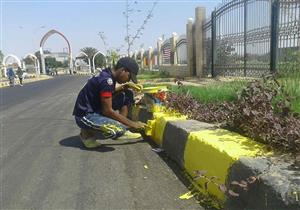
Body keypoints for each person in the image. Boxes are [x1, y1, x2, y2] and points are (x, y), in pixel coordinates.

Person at [73, 57, 146, 148]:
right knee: (117, 130)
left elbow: (105, 94)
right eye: (129, 76)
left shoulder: (107, 74)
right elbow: (107, 111)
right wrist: (133, 124)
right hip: (85, 115)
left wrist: (124, 87)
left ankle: (119, 124)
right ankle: (86, 135)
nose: (128, 80)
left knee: (126, 94)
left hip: (94, 108)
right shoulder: (107, 81)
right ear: (123, 70)